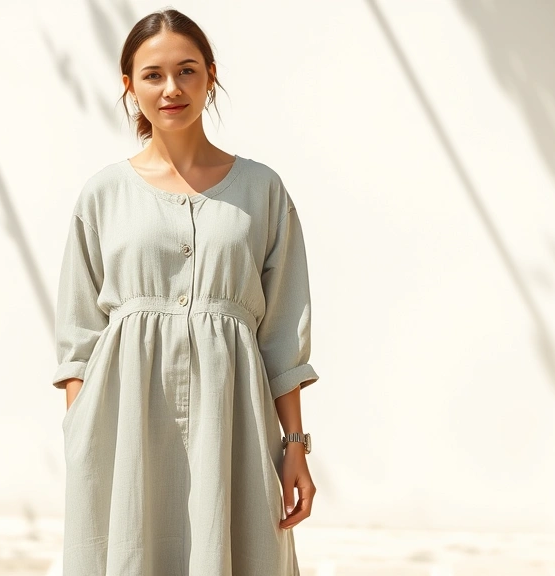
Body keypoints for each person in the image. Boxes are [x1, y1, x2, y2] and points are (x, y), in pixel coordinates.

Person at [52, 8, 319, 575]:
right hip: (123, 433)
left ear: (210, 76)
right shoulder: (102, 195)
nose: (171, 88)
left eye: (187, 71)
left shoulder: (262, 190)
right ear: (129, 85)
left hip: (235, 427)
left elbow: (281, 336)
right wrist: (81, 438)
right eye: (152, 74)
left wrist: (294, 443)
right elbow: (78, 336)